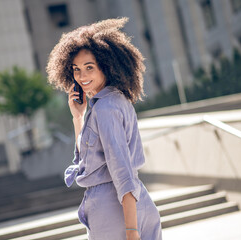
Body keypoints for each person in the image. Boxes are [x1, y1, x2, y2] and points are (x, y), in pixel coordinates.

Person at [46, 17, 162, 240]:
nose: (82, 76)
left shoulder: (105, 108)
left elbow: (121, 170)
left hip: (115, 211)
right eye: (76, 69)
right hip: (137, 204)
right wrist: (78, 117)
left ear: (106, 66)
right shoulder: (114, 101)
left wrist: (132, 232)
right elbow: (91, 158)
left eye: (89, 67)